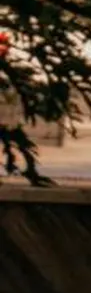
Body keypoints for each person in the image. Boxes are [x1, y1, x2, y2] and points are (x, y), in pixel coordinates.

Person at [0, 30, 45, 185]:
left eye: (4, 45)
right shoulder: (6, 72)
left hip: (7, 118)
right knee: (19, 144)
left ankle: (30, 170)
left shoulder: (8, 70)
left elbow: (13, 97)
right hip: (5, 116)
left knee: (21, 144)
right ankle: (27, 169)